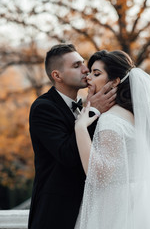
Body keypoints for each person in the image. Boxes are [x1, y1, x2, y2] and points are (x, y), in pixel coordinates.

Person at [28, 44, 117, 229]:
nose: (86, 70)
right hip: (56, 214)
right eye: (76, 66)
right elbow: (67, 156)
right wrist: (93, 112)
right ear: (57, 76)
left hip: (90, 210)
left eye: (83, 63)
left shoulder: (85, 105)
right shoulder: (44, 108)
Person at [74, 50, 150, 229]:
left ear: (114, 81)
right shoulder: (138, 115)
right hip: (140, 203)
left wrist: (80, 128)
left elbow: (100, 176)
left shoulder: (111, 119)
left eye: (96, 73)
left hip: (115, 207)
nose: (88, 77)